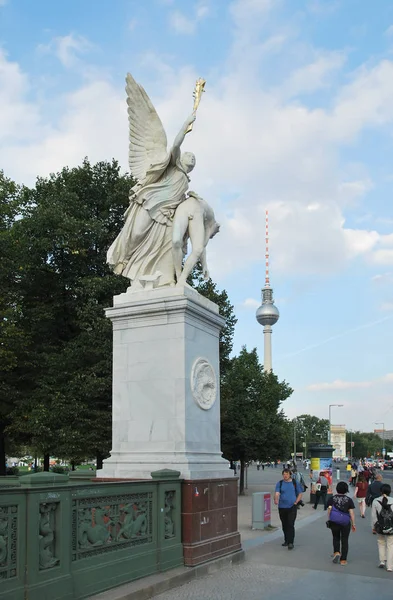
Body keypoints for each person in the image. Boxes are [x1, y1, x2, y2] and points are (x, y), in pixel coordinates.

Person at [327, 481, 356, 565]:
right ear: (346, 490)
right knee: (345, 540)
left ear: (337, 489)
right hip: (345, 522)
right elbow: (351, 513)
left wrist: (329, 518)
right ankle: (343, 560)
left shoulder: (332, 498)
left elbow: (329, 509)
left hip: (334, 521)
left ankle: (336, 552)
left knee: (335, 537)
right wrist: (353, 524)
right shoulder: (349, 500)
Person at [274, 468, 303, 550]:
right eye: (284, 474)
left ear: (290, 474)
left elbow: (300, 493)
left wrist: (296, 502)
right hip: (282, 507)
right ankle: (286, 540)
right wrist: (276, 498)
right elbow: (277, 493)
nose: (285, 476)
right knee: (284, 524)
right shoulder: (280, 483)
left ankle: (291, 542)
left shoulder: (295, 483)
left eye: (286, 474)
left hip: (292, 507)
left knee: (290, 524)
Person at [371, 483, 393, 571]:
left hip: (380, 526)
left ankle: (382, 561)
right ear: (390, 491)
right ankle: (390, 566)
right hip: (391, 527)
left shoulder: (376, 501)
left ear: (380, 491)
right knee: (390, 545)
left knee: (381, 542)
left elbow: (373, 516)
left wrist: (373, 526)